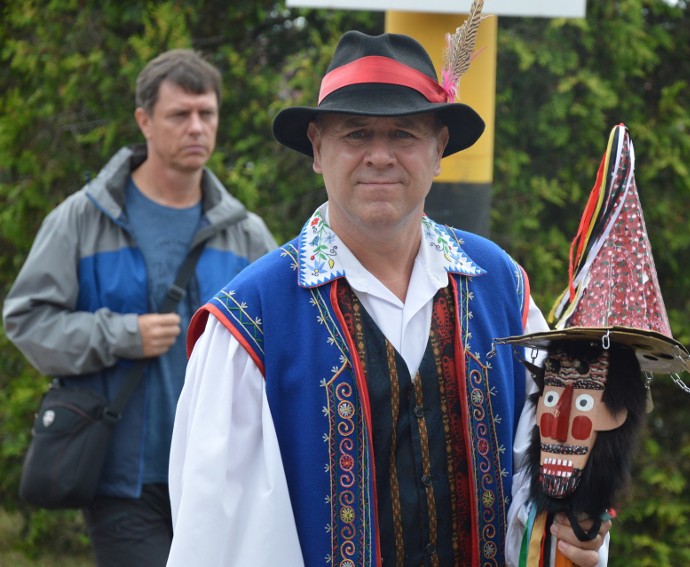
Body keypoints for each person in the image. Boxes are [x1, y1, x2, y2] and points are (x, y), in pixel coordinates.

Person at [166, 32, 609, 567]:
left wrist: (577, 535)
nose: (380, 156)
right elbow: (220, 537)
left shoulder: (500, 287)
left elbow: (544, 483)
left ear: (439, 148)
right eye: (356, 134)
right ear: (316, 147)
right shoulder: (252, 321)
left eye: (403, 133)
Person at [3, 49, 277, 567]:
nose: (197, 127)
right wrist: (120, 334)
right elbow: (27, 319)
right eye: (180, 115)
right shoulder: (82, 219)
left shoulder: (248, 235)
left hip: (219, 478)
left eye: (207, 114)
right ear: (144, 121)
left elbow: (282, 347)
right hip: (124, 481)